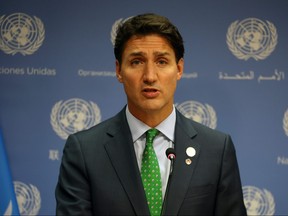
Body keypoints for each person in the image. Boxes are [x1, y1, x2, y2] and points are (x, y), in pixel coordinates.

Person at [55, 13, 247, 215]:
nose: (149, 76)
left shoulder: (216, 149)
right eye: (137, 62)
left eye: (162, 62)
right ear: (119, 71)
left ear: (179, 69)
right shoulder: (84, 151)